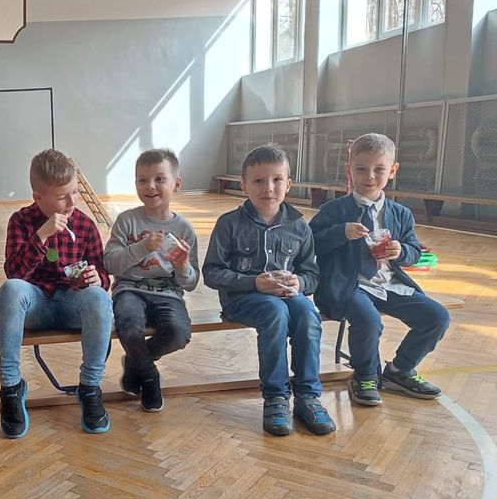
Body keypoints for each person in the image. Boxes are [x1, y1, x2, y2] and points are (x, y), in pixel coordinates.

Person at [202, 145, 335, 436]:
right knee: (274, 312)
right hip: (241, 299)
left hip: (289, 298)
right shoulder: (229, 224)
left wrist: (299, 283)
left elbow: (312, 274)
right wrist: (253, 283)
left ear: (288, 184)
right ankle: (276, 396)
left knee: (307, 313)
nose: (268, 188)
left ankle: (307, 396)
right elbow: (211, 272)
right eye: (259, 181)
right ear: (244, 185)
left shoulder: (299, 226)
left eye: (277, 180)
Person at [309, 133, 449, 406]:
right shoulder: (333, 210)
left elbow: (414, 250)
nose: (370, 176)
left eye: (379, 169)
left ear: (393, 171)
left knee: (437, 317)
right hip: (349, 285)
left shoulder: (401, 213)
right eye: (361, 169)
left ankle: (400, 370)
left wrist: (401, 251)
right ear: (349, 169)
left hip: (389, 283)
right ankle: (365, 375)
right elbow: (311, 243)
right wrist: (341, 232)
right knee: (369, 320)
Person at [0, 148, 113, 438]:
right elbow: (15, 273)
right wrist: (41, 235)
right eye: (62, 196)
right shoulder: (20, 221)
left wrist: (96, 279)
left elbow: (104, 277)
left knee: (99, 297)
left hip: (72, 305)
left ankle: (90, 387)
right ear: (38, 197)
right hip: (34, 306)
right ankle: (11, 388)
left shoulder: (85, 225)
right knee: (10, 289)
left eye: (75, 192)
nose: (72, 202)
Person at [104, 149, 199, 412]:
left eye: (159, 179)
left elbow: (191, 282)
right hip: (129, 290)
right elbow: (109, 263)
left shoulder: (184, 229)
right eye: (142, 180)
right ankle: (149, 377)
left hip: (168, 293)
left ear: (176, 184)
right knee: (129, 327)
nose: (150, 186)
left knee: (179, 333)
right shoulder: (127, 221)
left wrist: (181, 266)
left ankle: (135, 363)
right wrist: (141, 248)